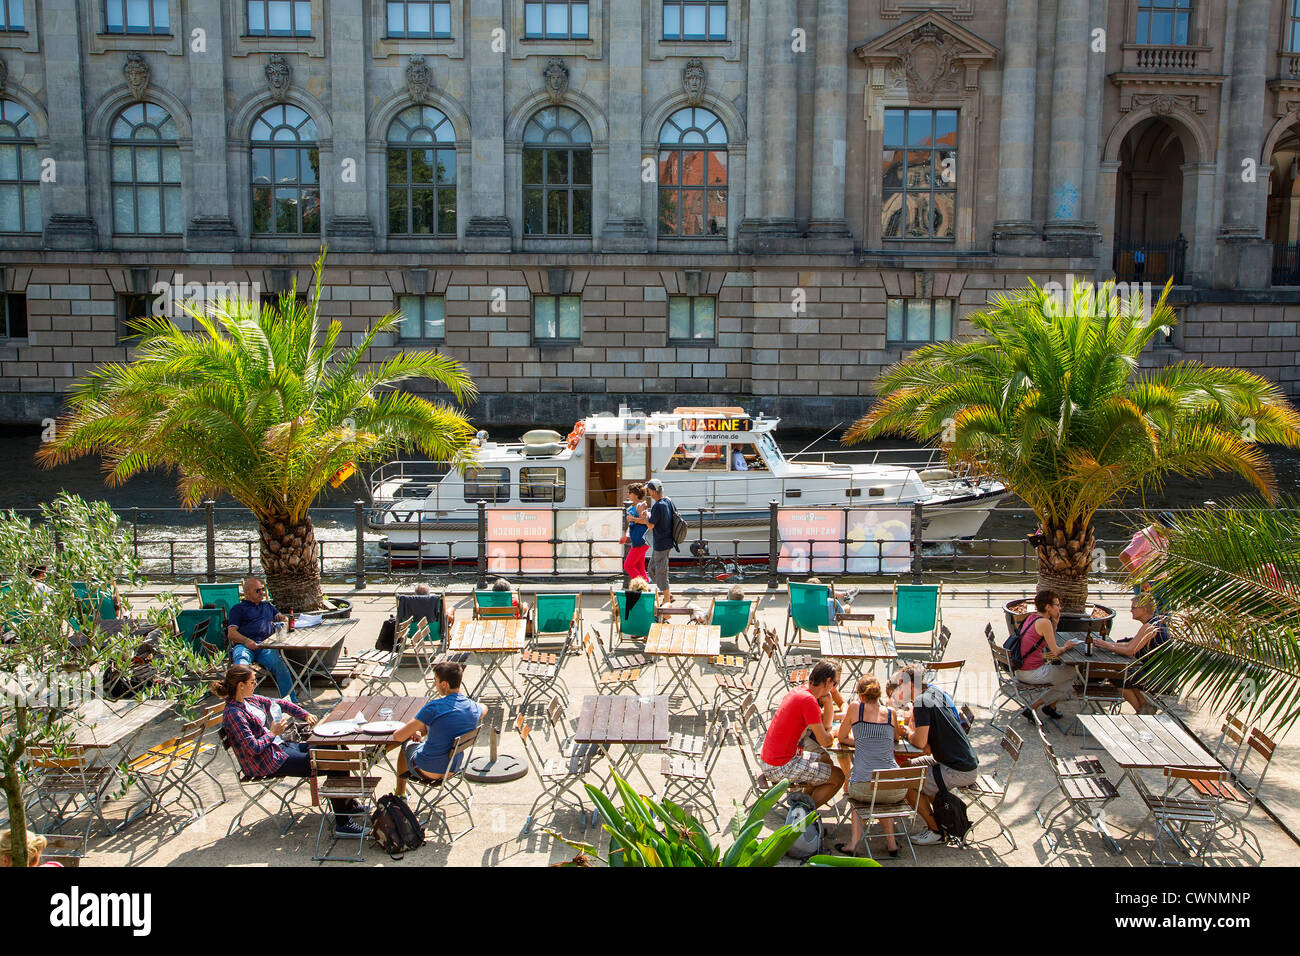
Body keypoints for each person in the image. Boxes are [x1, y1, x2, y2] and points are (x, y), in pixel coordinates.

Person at [212, 664, 363, 834]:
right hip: (266, 761)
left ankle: (347, 805)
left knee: (338, 747)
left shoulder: (250, 700)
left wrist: (303, 714)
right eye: (253, 682)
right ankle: (343, 823)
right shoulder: (234, 714)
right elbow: (253, 748)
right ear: (241, 686)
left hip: (279, 748)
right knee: (331, 759)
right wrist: (272, 732)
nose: (255, 685)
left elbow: (280, 703)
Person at [893, 664, 979, 845]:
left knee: (905, 784)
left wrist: (905, 732)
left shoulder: (921, 702)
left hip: (957, 769)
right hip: (959, 759)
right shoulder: (933, 692)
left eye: (900, 684)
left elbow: (920, 742)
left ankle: (937, 831)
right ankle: (940, 817)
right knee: (906, 768)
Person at [835, 676, 907, 857]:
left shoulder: (854, 709)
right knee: (882, 789)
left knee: (865, 790)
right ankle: (891, 844)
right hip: (895, 788)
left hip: (864, 786)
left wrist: (861, 741)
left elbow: (842, 737)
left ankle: (853, 844)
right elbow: (896, 739)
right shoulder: (891, 712)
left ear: (860, 695)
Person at [759, 660, 845, 808]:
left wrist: (829, 702)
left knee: (826, 760)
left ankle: (801, 802)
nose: (833, 689)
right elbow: (825, 741)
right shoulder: (809, 701)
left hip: (772, 759)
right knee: (838, 776)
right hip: (781, 766)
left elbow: (824, 726)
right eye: (834, 684)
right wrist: (836, 732)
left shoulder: (800, 690)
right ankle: (802, 814)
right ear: (828, 682)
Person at [393, 660, 486, 793]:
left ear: (444, 684)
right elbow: (484, 708)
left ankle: (400, 794)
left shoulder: (433, 707)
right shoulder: (472, 707)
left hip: (426, 769)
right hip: (453, 768)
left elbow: (398, 736)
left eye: (435, 680)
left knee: (405, 742)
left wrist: (414, 732)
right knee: (427, 729)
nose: (435, 684)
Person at [1093, 592, 1172, 713]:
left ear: (1144, 609)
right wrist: (1107, 645)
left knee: (1116, 676)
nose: (1131, 611)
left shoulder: (1150, 627)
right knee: (1122, 674)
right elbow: (1130, 644)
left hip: (1159, 679)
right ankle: (1144, 707)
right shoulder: (1154, 622)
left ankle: (1140, 710)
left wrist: (1109, 646)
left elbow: (1130, 650)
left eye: (1133, 608)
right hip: (1158, 674)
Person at [225, 576, 296, 701]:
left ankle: (291, 701)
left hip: (265, 646)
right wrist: (246, 641)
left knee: (280, 665)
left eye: (262, 589)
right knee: (241, 666)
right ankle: (239, 700)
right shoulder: (238, 609)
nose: (262, 593)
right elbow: (231, 633)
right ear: (247, 593)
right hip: (244, 645)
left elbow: (281, 617)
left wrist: (283, 619)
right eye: (257, 590)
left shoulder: (267, 606)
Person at [1014, 589, 1079, 721]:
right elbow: (1055, 651)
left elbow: (1047, 640)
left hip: (1021, 670)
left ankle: (1050, 707)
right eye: (1057, 605)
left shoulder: (1032, 617)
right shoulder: (1044, 622)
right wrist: (1067, 646)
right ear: (1048, 607)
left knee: (1065, 679)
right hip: (1032, 673)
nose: (1059, 608)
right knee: (1074, 675)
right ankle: (1034, 707)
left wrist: (1055, 622)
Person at [1120, 512, 1173, 600]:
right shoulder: (1144, 537)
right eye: (1167, 528)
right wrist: (1141, 579)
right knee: (1144, 613)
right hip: (1146, 582)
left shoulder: (1165, 536)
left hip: (1161, 580)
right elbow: (1124, 556)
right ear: (1158, 523)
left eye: (1171, 528)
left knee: (1164, 613)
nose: (1169, 531)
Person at [645, 478, 675, 604]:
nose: (648, 493)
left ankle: (667, 600)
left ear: (653, 491)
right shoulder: (667, 501)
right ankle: (669, 594)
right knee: (652, 570)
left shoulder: (658, 506)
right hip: (664, 542)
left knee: (661, 572)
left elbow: (650, 525)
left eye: (649, 490)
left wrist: (645, 515)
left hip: (662, 544)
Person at [621, 483, 651, 584]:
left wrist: (633, 519)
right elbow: (631, 525)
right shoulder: (631, 508)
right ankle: (646, 588)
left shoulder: (640, 505)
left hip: (641, 541)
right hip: (637, 541)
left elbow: (646, 521)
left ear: (635, 494)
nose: (628, 494)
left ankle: (641, 585)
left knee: (628, 566)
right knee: (640, 567)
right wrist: (625, 536)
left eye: (630, 492)